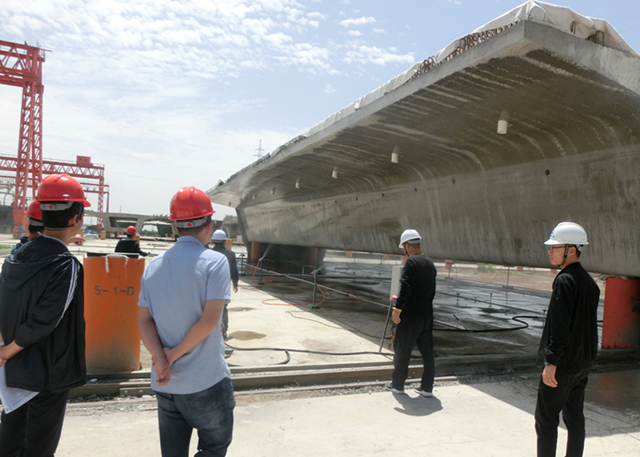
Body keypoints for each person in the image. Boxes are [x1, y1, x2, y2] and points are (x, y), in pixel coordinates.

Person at [137, 186, 234, 457]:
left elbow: (143, 321)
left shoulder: (153, 266)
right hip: (206, 381)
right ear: (209, 224)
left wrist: (160, 359)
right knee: (214, 448)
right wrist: (171, 355)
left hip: (165, 383)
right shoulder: (215, 263)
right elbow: (209, 322)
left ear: (175, 226)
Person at [0, 173, 89, 456]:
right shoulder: (66, 265)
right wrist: (8, 350)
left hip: (14, 370)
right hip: (49, 372)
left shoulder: (15, 257)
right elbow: (46, 320)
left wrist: (6, 351)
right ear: (76, 217)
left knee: (10, 442)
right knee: (39, 448)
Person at [535, 222, 600, 457]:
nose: (550, 251)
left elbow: (560, 327)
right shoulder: (590, 284)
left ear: (571, 249)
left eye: (554, 247)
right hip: (582, 364)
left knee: (545, 421)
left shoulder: (564, 281)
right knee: (575, 419)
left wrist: (551, 361)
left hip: (562, 366)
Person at [385, 229, 437, 397]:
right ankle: (427, 388)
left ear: (407, 246)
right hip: (426, 316)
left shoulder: (411, 263)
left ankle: (398, 385)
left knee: (402, 351)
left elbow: (406, 287)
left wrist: (397, 309)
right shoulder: (430, 263)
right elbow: (426, 290)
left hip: (410, 317)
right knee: (428, 354)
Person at [211, 229, 239, 339]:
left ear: (213, 240)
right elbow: (234, 270)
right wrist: (235, 283)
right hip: (224, 286)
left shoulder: (208, 253)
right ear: (224, 241)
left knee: (208, 309)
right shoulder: (230, 254)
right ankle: (224, 331)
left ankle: (211, 331)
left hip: (209, 285)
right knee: (223, 309)